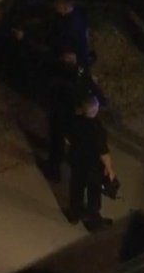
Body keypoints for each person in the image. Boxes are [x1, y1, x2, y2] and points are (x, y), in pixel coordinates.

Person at [44, 49, 102, 182]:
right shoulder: (81, 71)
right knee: (59, 139)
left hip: (64, 111)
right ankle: (56, 162)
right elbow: (90, 85)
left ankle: (54, 170)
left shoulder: (69, 73)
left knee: (57, 138)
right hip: (71, 110)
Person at [65, 94, 115, 231]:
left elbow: (67, 140)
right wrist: (109, 169)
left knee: (76, 188)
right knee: (94, 193)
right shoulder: (97, 128)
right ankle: (93, 221)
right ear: (96, 109)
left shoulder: (74, 121)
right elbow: (103, 152)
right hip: (92, 166)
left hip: (76, 161)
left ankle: (74, 215)